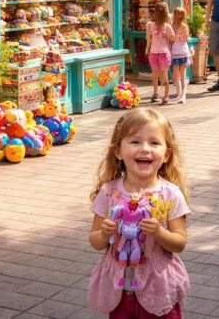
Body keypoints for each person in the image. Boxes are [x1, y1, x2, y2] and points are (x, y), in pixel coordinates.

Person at [88, 108, 190, 318]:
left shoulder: (170, 193)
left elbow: (179, 243)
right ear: (118, 151)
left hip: (159, 289)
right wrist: (105, 234)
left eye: (154, 143)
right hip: (119, 290)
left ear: (166, 154)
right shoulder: (109, 192)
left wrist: (159, 233)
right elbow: (95, 241)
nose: (145, 149)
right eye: (135, 142)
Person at [146, 2, 175, 105]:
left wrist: (178, 36)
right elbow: (148, 39)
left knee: (163, 76)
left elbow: (172, 39)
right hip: (153, 53)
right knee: (155, 75)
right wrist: (147, 50)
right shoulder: (150, 25)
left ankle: (166, 95)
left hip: (163, 53)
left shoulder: (167, 26)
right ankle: (155, 93)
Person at [169, 7, 191, 104]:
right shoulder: (171, 25)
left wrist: (178, 35)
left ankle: (183, 95)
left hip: (183, 52)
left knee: (182, 75)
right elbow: (170, 40)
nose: (179, 16)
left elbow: (185, 39)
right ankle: (178, 94)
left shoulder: (184, 26)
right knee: (176, 76)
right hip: (174, 53)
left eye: (181, 14)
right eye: (177, 14)